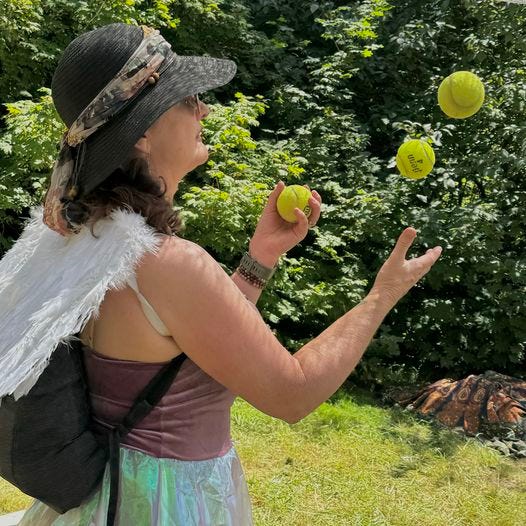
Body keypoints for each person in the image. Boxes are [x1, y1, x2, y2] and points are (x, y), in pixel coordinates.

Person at [14, 21, 442, 526]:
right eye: (186, 98)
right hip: (165, 504)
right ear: (144, 134)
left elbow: (191, 352)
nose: (203, 109)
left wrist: (260, 256)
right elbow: (293, 393)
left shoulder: (86, 237)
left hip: (103, 495)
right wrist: (382, 295)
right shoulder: (168, 263)